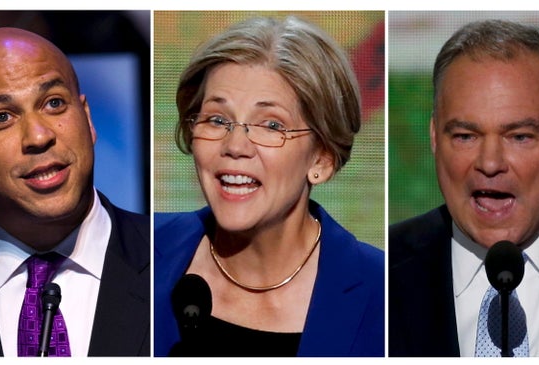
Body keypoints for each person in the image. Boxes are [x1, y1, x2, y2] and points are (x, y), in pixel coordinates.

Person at [154, 16, 384, 357]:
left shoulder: (382, 290)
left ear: (321, 159)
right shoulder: (145, 251)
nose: (235, 146)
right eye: (217, 120)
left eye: (271, 125)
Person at [387, 19, 539, 357]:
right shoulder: (382, 275)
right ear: (435, 138)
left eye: (520, 137)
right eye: (466, 136)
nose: (490, 163)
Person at [0, 27, 150, 356]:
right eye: (2, 117)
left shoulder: (176, 263)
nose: (39, 136)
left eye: (54, 103)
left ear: (87, 119)